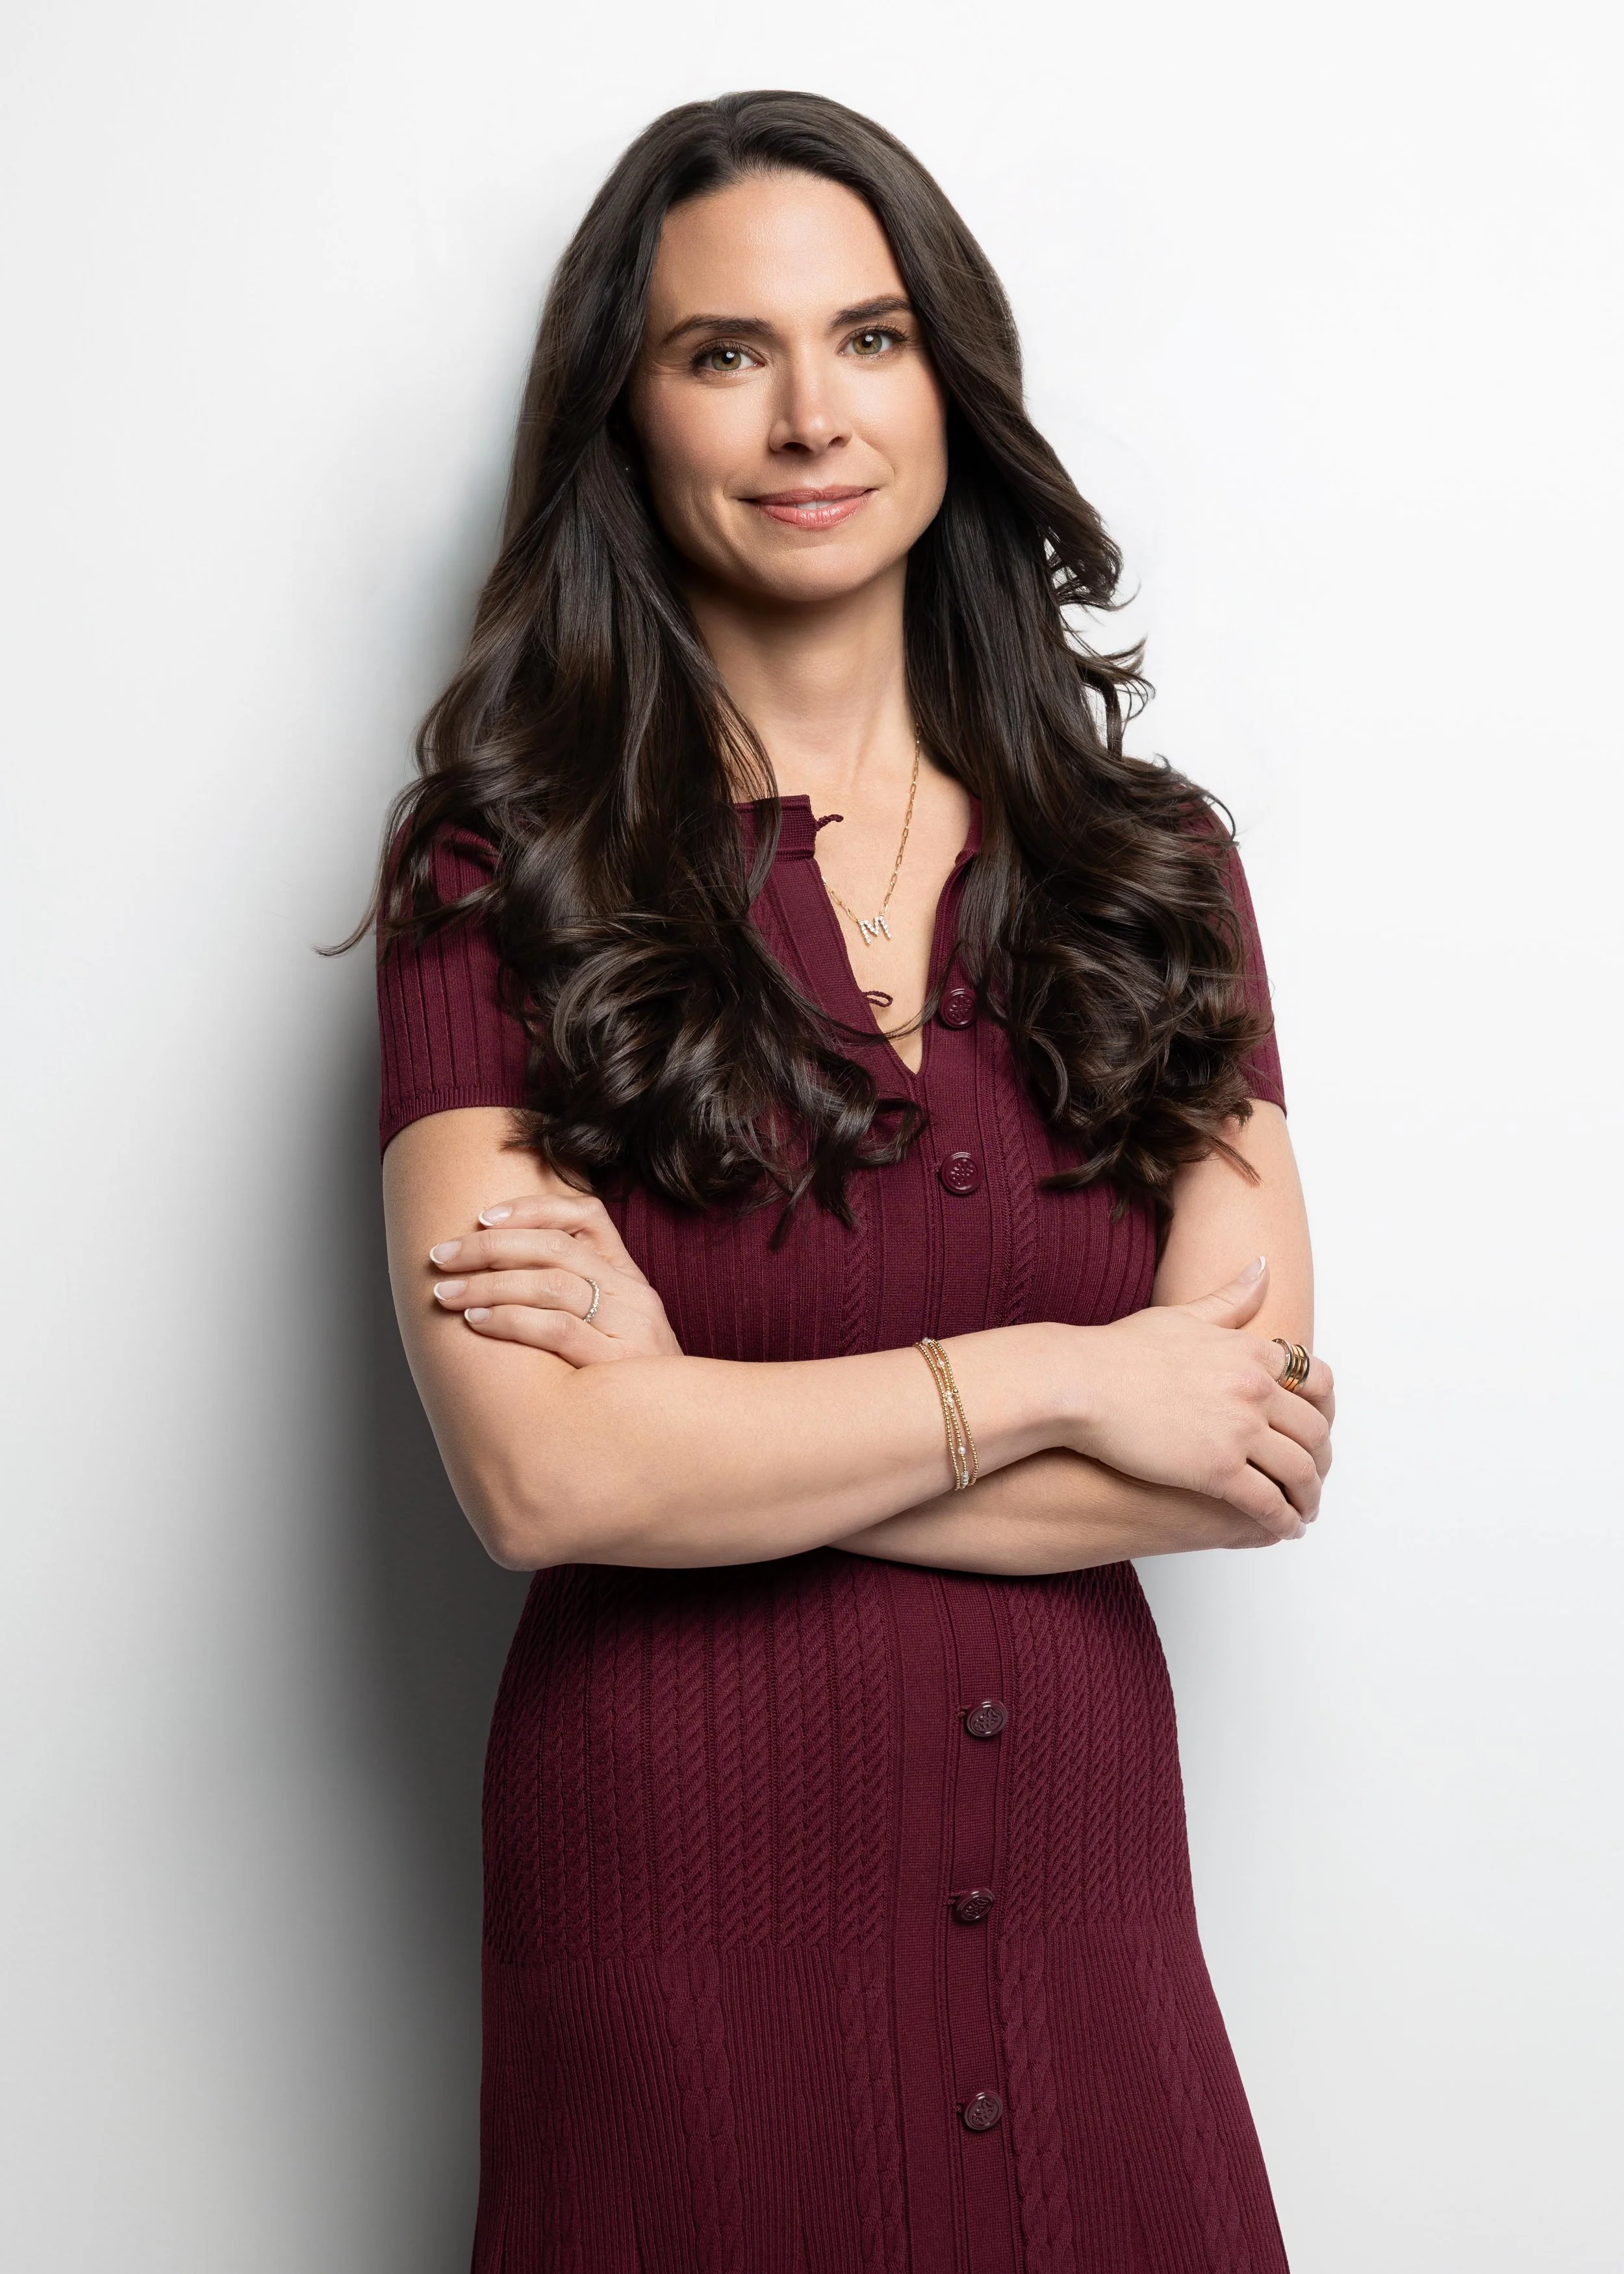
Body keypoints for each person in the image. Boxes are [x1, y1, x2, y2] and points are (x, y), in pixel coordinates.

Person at [372, 88, 1332, 2274]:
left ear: (947, 382)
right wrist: (1070, 1375)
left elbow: (1244, 1449)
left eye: (869, 339)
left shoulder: (1147, 870)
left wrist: (693, 1425)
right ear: (626, 415)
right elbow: (543, 1478)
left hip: (1088, 1968)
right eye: (725, 352)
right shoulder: (502, 872)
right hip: (683, 1973)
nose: (810, 416)